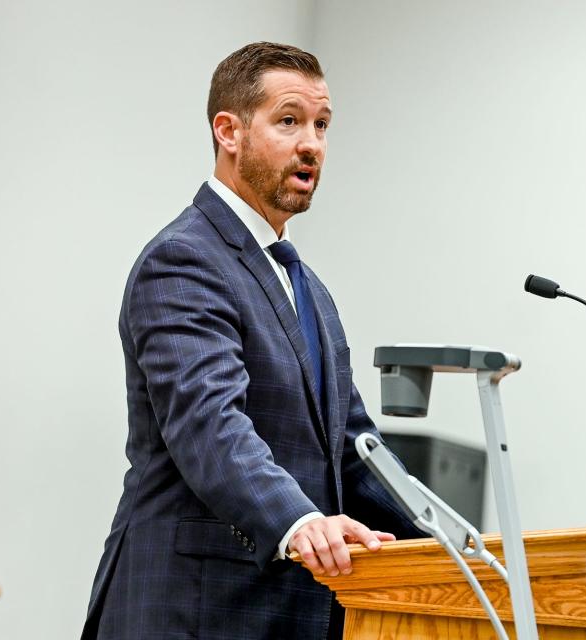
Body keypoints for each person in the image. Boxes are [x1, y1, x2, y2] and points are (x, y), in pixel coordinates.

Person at [81, 42, 420, 640]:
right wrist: (297, 520)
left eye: (321, 125)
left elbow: (353, 449)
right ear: (228, 131)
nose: (311, 143)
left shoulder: (305, 286)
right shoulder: (184, 261)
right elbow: (209, 423)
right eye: (288, 121)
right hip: (189, 610)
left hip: (286, 614)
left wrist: (460, 544)